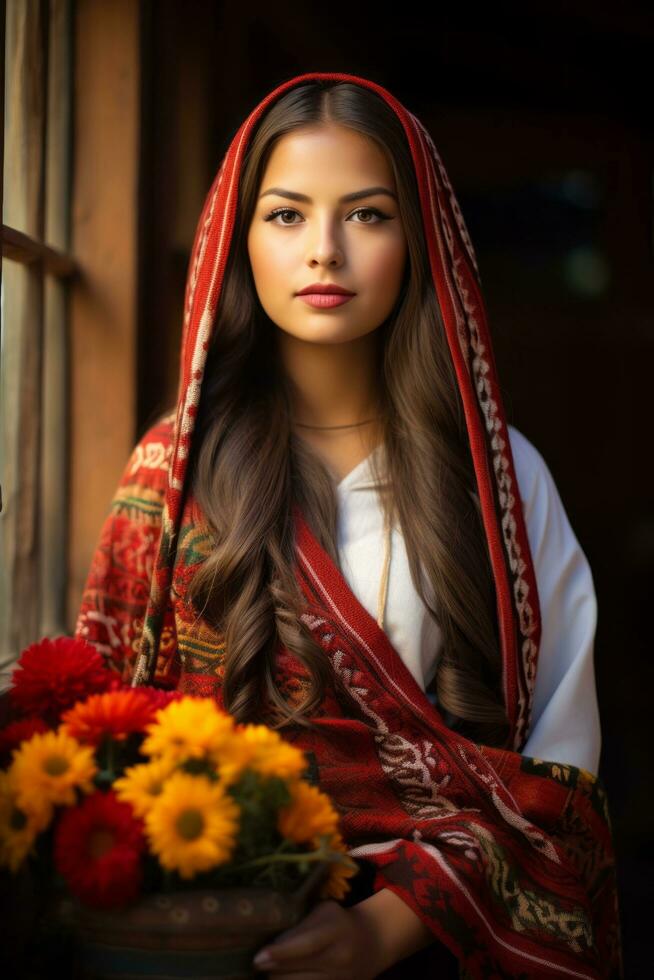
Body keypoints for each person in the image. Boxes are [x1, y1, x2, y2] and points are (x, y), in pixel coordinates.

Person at [75, 72, 621, 978]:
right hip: (215, 941)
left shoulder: (501, 480)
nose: (323, 250)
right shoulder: (171, 477)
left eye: (367, 215)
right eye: (286, 215)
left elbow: (563, 779)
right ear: (235, 242)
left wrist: (386, 930)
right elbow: (101, 734)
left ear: (420, 242)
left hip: (442, 946)